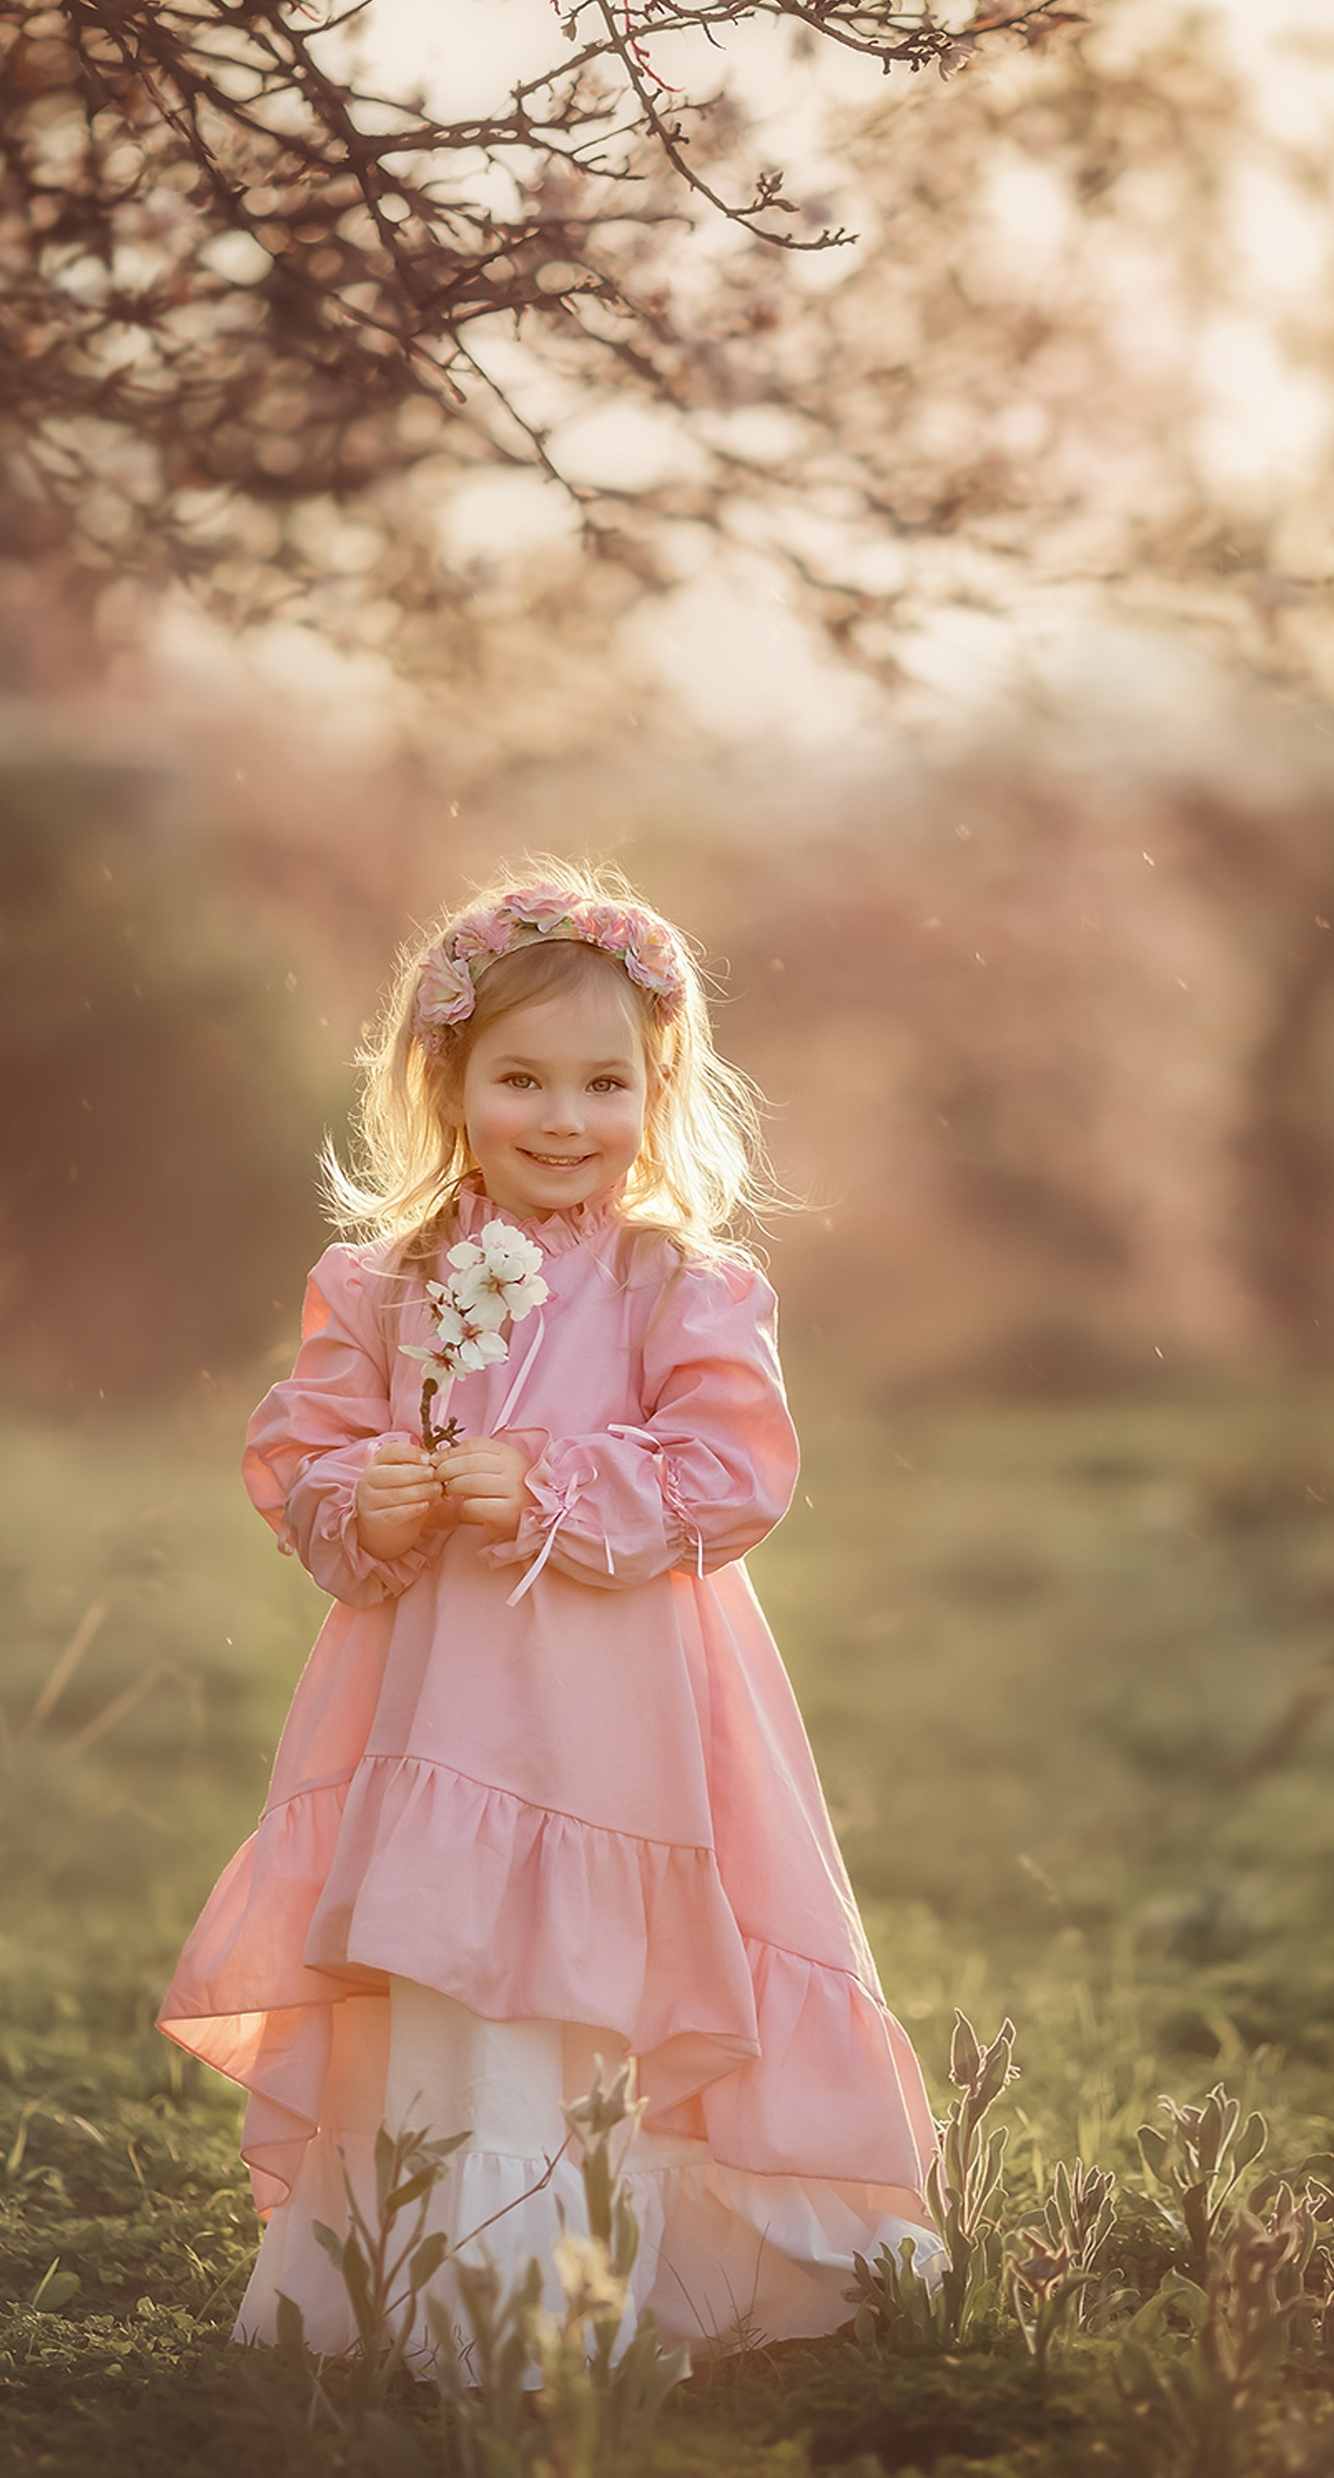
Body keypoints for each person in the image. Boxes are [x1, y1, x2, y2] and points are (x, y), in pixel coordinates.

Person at [159, 861, 939, 2354]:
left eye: (606, 1084)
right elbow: (304, 1456)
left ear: (658, 1092)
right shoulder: (381, 1282)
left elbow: (734, 1473)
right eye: (521, 1079)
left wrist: (562, 1487)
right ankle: (433, 2291)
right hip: (437, 1713)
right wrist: (359, 1496)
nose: (564, 1120)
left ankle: (586, 2288)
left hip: (618, 1727)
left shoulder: (680, 1285)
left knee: (591, 1981)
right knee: (449, 1972)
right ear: (444, 1080)